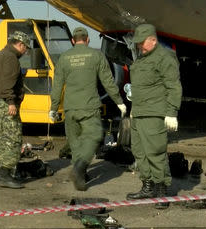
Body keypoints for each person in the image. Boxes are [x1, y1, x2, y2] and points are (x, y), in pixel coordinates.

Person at [49, 27, 127, 191]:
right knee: (93, 137)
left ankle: (81, 174)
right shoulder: (96, 55)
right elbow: (108, 81)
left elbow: (57, 85)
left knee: (75, 140)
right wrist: (119, 101)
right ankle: (80, 167)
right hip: (89, 107)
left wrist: (54, 108)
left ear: (73, 41)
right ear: (88, 39)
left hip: (70, 108)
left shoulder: (64, 58)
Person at [125, 24, 182, 209]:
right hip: (139, 112)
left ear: (153, 40)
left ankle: (161, 191)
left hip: (154, 114)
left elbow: (174, 86)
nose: (139, 46)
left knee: (155, 153)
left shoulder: (164, 58)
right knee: (139, 152)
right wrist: (133, 108)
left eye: (142, 43)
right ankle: (147, 186)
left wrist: (172, 113)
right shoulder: (141, 59)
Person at [0, 31, 30, 189]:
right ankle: (5, 175)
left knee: (1, 137)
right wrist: (11, 102)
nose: (25, 51)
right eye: (25, 48)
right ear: (20, 44)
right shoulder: (11, 58)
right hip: (6, 104)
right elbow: (8, 83)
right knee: (11, 139)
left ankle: (6, 172)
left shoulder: (1, 55)